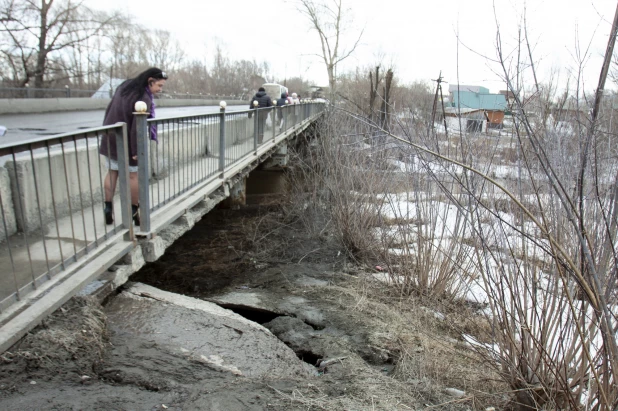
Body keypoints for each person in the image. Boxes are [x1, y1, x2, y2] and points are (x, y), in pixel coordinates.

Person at [99, 67, 168, 226]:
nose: (160, 89)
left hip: (111, 135)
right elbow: (137, 126)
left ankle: (108, 209)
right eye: (159, 85)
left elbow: (110, 108)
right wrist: (136, 150)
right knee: (133, 176)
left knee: (112, 172)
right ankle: (135, 213)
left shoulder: (125, 86)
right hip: (128, 142)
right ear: (150, 81)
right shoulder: (143, 97)